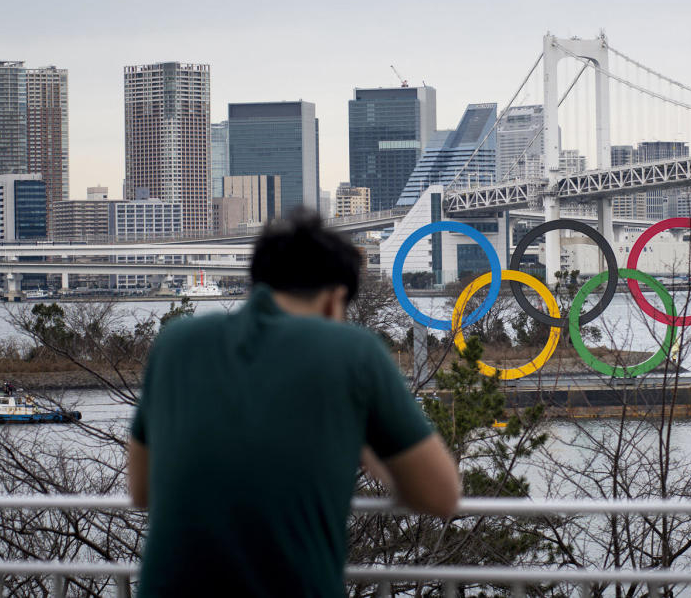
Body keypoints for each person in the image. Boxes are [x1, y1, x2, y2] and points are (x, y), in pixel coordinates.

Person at [128, 209, 460, 597]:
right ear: (335, 300)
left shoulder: (176, 343)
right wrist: (367, 448)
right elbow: (440, 496)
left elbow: (141, 490)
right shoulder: (352, 351)